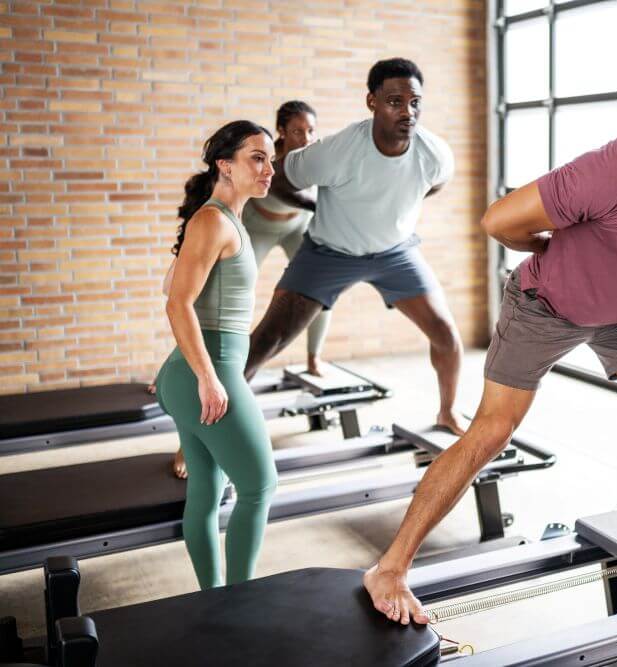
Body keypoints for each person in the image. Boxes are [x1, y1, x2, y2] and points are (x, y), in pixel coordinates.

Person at [363, 22, 617, 625]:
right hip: (546, 305)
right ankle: (391, 566)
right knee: (491, 432)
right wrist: (551, 247)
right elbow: (498, 221)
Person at [244, 58, 465, 435]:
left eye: (415, 102)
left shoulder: (435, 154)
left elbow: (437, 183)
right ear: (372, 102)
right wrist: (311, 206)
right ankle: (207, 427)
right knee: (267, 340)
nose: (407, 111)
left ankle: (447, 412)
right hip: (328, 253)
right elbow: (280, 177)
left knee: (446, 335)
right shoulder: (339, 150)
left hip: (396, 253)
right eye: (395, 101)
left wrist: (392, 211)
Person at [170, 101, 331, 480]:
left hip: (296, 227)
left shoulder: (308, 158)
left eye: (310, 131)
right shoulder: (248, 177)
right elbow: (180, 301)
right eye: (297, 131)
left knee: (320, 295)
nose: (305, 137)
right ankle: (181, 374)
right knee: (219, 298)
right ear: (281, 129)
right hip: (262, 225)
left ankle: (314, 358)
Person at [154, 120, 279, 589]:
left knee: (208, 491)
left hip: (190, 371)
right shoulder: (212, 221)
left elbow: (172, 284)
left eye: (271, 158)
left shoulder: (223, 220)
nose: (269, 168)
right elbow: (177, 302)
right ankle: (240, 599)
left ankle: (214, 598)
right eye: (257, 157)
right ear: (225, 166)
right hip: (207, 373)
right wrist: (206, 377)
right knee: (259, 486)